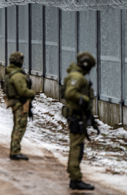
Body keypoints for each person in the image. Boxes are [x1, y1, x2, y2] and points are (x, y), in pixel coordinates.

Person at [63, 52, 96, 190]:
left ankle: (75, 177)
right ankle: (75, 178)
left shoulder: (77, 76)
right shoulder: (76, 77)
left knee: (78, 146)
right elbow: (70, 93)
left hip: (78, 116)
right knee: (76, 147)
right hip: (75, 117)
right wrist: (85, 99)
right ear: (86, 64)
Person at [4, 51, 35, 160]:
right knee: (19, 127)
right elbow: (23, 91)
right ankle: (15, 151)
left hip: (15, 102)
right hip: (20, 103)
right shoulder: (17, 75)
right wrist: (32, 93)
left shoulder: (11, 72)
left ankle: (14, 149)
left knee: (17, 126)